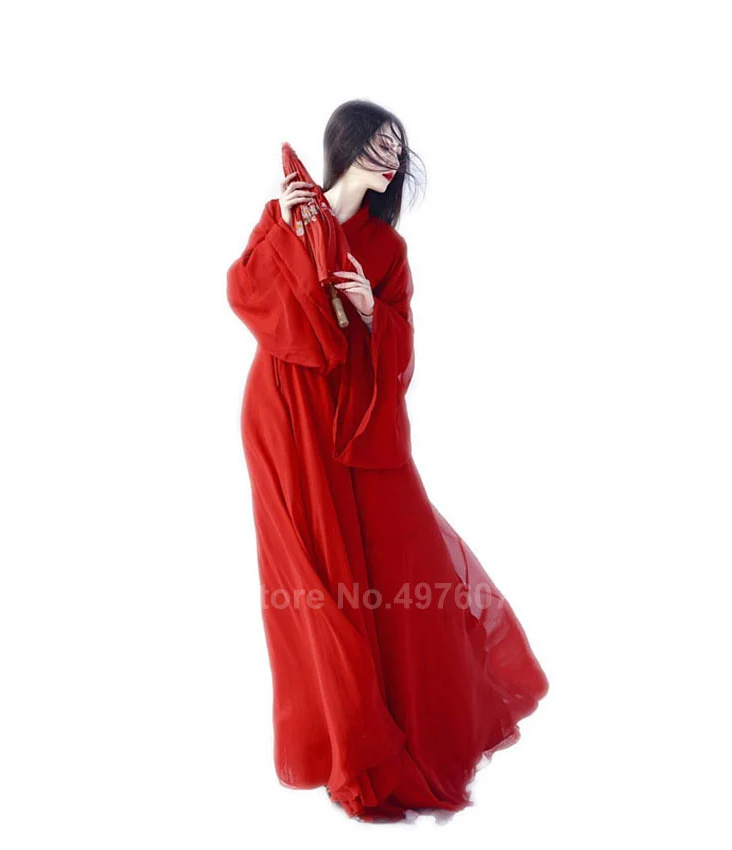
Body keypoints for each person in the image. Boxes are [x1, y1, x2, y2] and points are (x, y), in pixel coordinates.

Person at [226, 99, 549, 822]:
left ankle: (387, 731)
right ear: (347, 143)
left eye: (398, 148)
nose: (392, 158)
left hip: (355, 421)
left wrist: (372, 315)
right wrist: (284, 229)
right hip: (283, 412)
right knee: (315, 577)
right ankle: (348, 744)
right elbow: (245, 293)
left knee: (396, 560)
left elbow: (400, 350)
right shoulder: (287, 211)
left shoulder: (389, 250)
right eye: (380, 143)